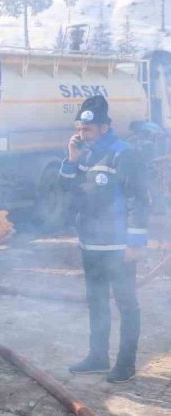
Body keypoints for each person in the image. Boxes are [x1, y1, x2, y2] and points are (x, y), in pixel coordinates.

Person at [59, 95, 149, 383]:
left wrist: (135, 242)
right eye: (80, 130)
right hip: (91, 244)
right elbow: (67, 193)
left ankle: (126, 363)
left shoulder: (124, 154)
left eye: (88, 130)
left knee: (126, 303)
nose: (81, 134)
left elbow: (140, 200)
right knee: (96, 301)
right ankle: (98, 356)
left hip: (118, 246)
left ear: (105, 127)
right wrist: (71, 161)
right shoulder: (84, 154)